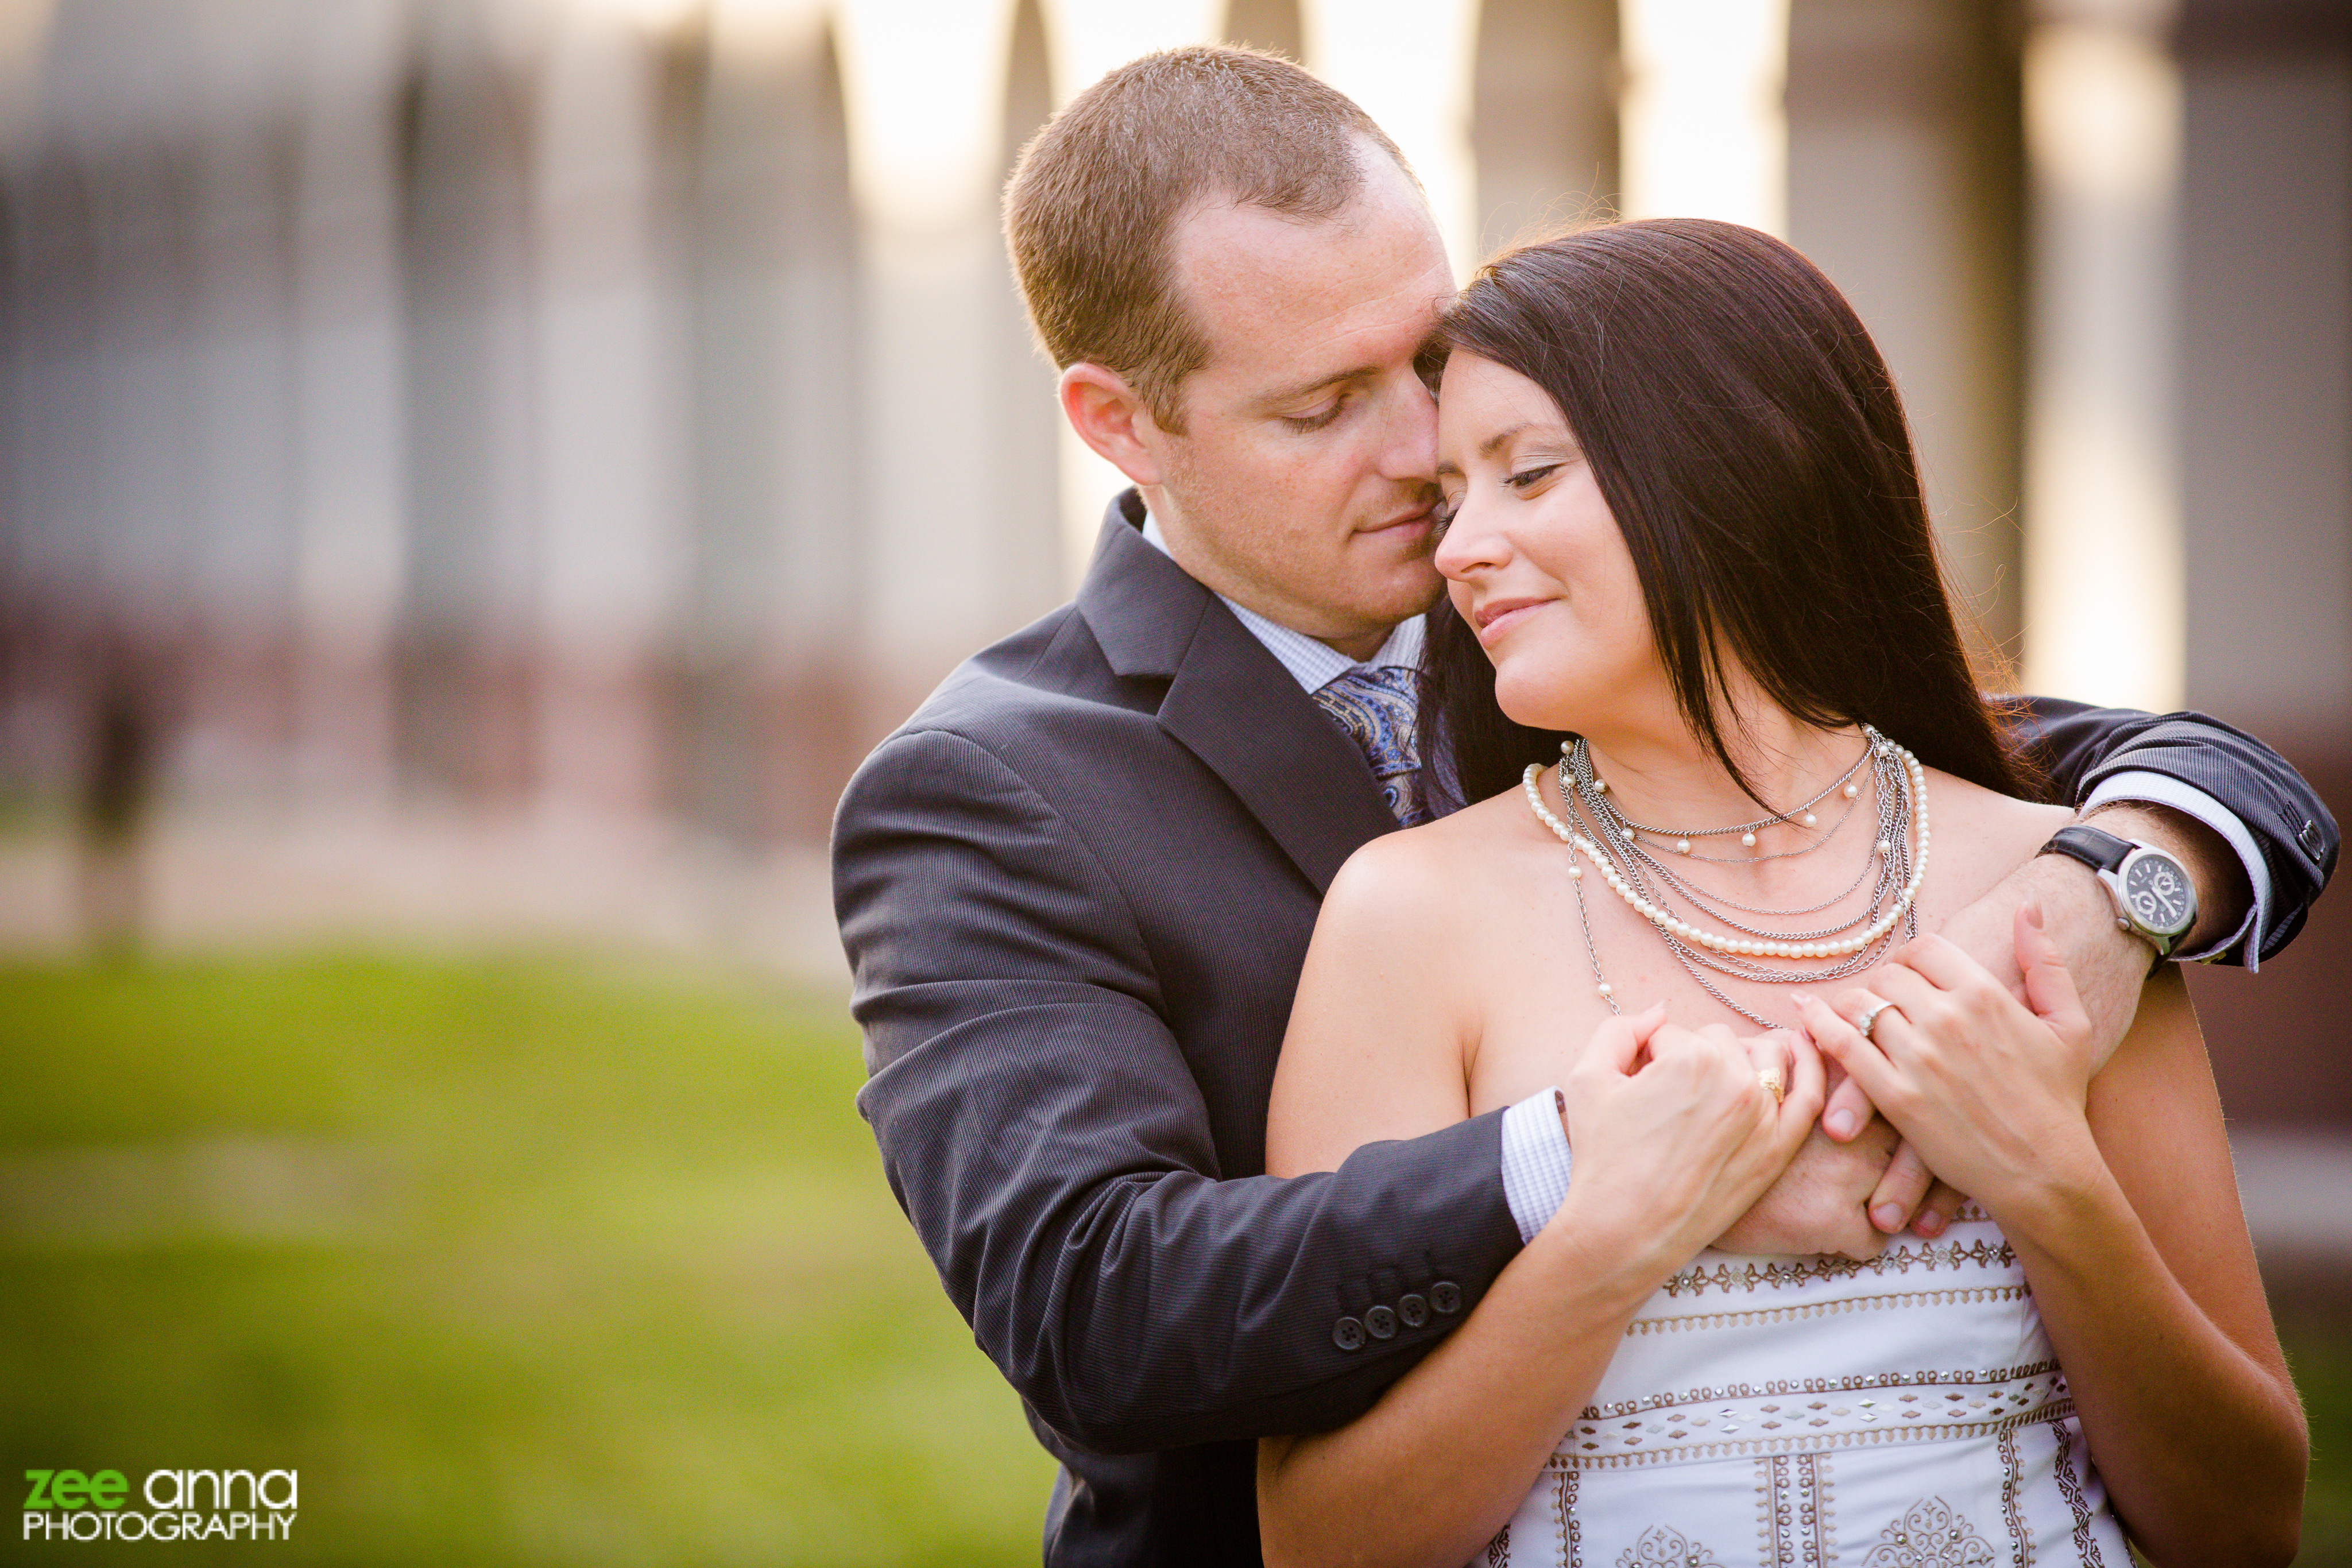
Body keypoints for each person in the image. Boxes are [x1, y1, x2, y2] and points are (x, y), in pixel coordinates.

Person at [829, 47, 2335, 1567]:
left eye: (1423, 363)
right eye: (1322, 407)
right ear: (1118, 420)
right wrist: (1586, 1168)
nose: (1424, 459)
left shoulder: (1565, 640)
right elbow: (1099, 1298)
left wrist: (2118, 887)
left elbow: (2088, 760)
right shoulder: (992, 789)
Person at [1254, 219, 2307, 1565]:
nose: (1457, 550)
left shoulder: (2054, 899)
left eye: (1525, 475)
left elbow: (2245, 1524)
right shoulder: (1405, 920)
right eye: (1453, 500)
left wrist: (2047, 1181)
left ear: (1731, 464)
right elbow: (1319, 1544)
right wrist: (1618, 1235)